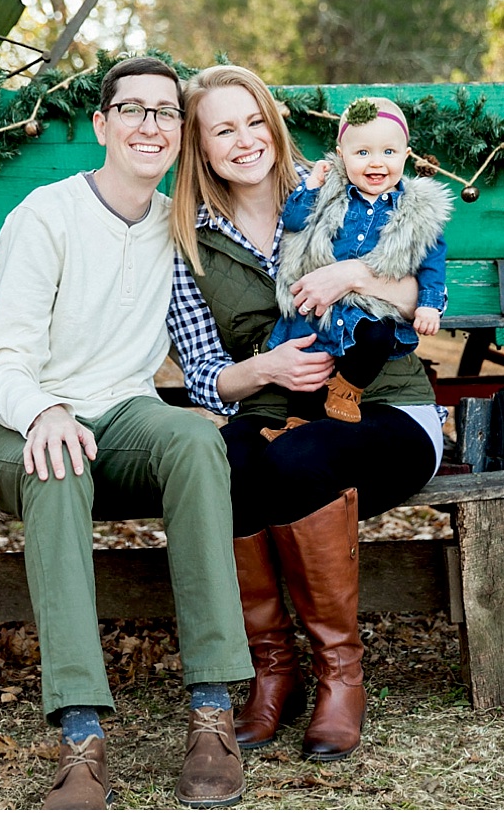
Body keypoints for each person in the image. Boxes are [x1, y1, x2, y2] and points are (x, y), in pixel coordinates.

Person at [0, 56, 253, 810]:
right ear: (102, 124)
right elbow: (2, 363)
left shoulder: (177, 221)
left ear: (180, 135)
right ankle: (82, 733)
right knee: (57, 464)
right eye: (133, 109)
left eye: (165, 113)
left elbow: (268, 192)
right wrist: (43, 411)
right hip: (14, 426)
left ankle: (213, 712)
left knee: (194, 441)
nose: (150, 125)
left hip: (121, 415)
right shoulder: (46, 217)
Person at [166, 65, 446, 763]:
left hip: (384, 405)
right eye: (222, 129)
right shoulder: (186, 240)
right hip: (273, 409)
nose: (244, 140)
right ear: (200, 148)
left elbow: (426, 284)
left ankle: (339, 676)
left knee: (296, 459)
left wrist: (353, 275)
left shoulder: (343, 181)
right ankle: (272, 671)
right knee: (222, 461)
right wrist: (262, 369)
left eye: (254, 121)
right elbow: (204, 374)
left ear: (274, 123)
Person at [262, 96, 450, 439]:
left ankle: (347, 389)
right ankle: (294, 428)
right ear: (341, 154)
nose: (376, 163)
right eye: (362, 153)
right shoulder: (330, 193)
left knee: (377, 336)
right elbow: (293, 220)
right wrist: (311, 187)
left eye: (388, 153)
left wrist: (429, 304)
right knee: (308, 354)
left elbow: (432, 261)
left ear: (406, 156)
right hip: (324, 305)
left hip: (369, 310)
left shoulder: (416, 211)